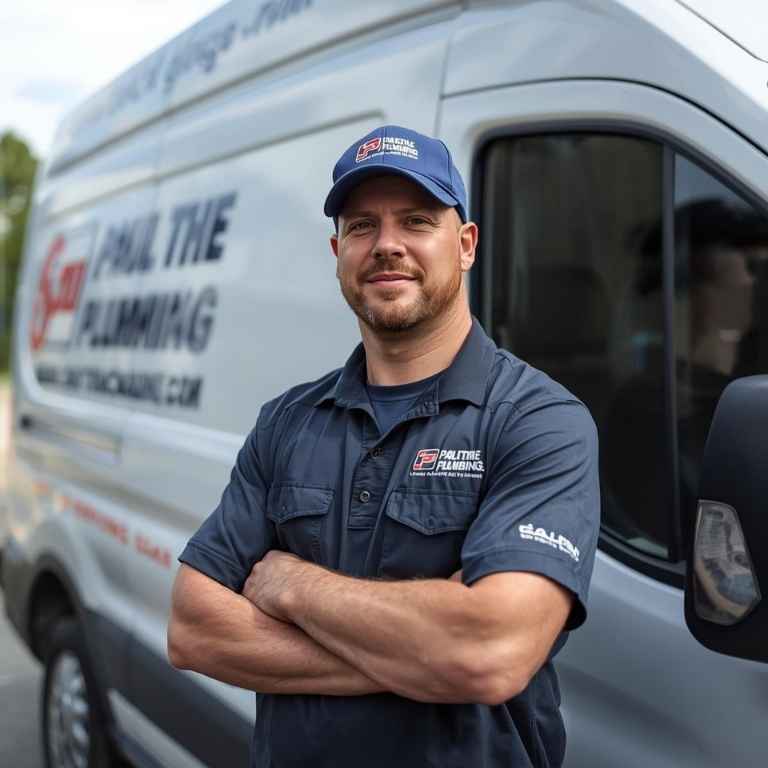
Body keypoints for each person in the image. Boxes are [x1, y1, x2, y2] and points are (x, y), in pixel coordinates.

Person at [167, 125, 600, 768]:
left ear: (466, 245)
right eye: (363, 225)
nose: (387, 245)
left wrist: (290, 587)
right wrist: (426, 654)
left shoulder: (538, 420)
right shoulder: (287, 421)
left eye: (417, 220)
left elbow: (489, 651)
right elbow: (193, 630)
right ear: (338, 249)